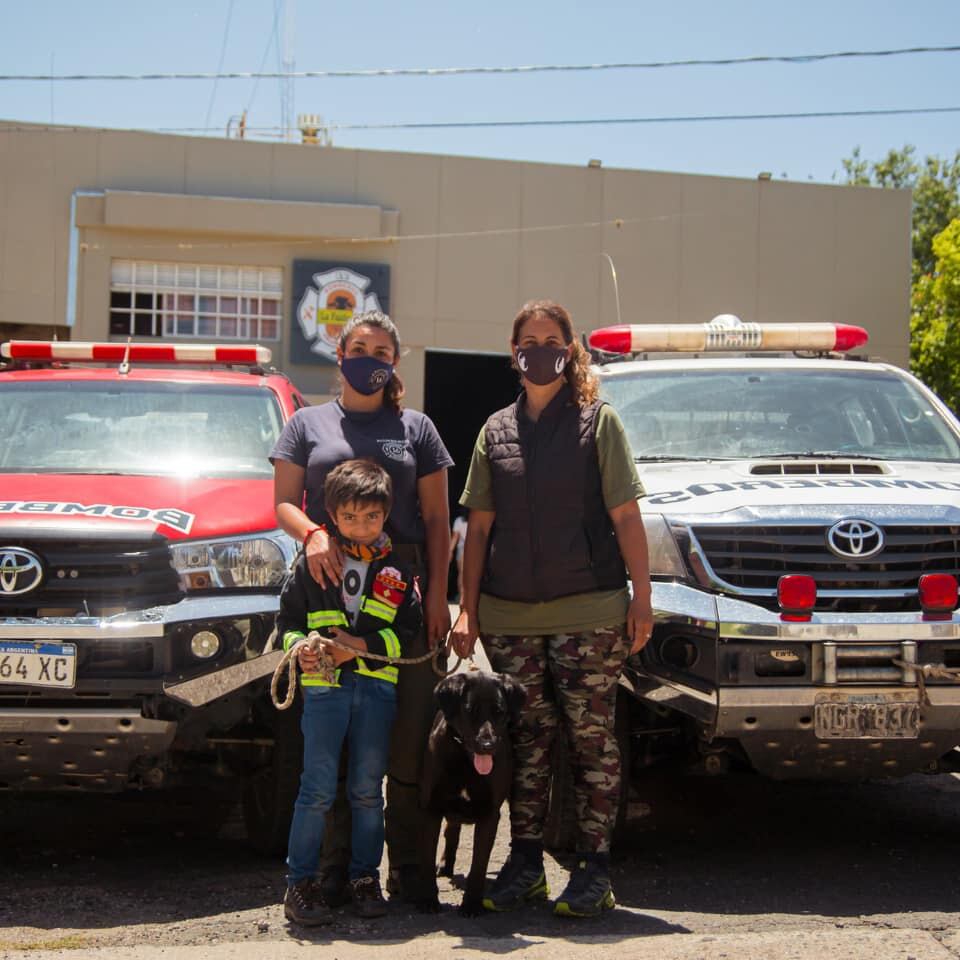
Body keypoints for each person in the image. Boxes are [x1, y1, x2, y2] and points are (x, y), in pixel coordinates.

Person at [449, 298, 653, 919]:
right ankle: (527, 863)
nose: (539, 350)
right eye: (528, 341)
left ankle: (594, 871)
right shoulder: (495, 430)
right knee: (528, 743)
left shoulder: (598, 422)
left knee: (592, 742)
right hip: (510, 617)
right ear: (514, 354)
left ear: (570, 348)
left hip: (590, 613)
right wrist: (467, 609)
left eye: (550, 339)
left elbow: (626, 516)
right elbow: (477, 529)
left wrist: (642, 598)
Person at [271, 309, 453, 905]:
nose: (368, 359)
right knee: (330, 748)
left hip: (399, 593)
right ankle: (328, 872)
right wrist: (313, 536)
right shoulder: (305, 423)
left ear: (394, 363)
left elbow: (434, 521)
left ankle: (404, 871)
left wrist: (439, 601)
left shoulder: (418, 429)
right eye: (358, 347)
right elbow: (284, 505)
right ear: (339, 353)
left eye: (381, 351)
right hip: (325, 579)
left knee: (401, 743)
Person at [279, 459, 422, 924]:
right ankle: (299, 883)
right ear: (331, 514)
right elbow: (287, 625)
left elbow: (409, 629)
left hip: (378, 689)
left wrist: (359, 647)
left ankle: (365, 879)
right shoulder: (313, 559)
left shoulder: (399, 565)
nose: (361, 527)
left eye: (372, 517)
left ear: (386, 514)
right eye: (350, 517)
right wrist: (298, 648)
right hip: (323, 689)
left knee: (366, 790)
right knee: (317, 788)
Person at [449, 508, 468, 601]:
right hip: (474, 549)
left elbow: (455, 538)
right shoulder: (475, 520)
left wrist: (450, 551)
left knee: (461, 574)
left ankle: (462, 597)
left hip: (462, 550)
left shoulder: (459, 521)